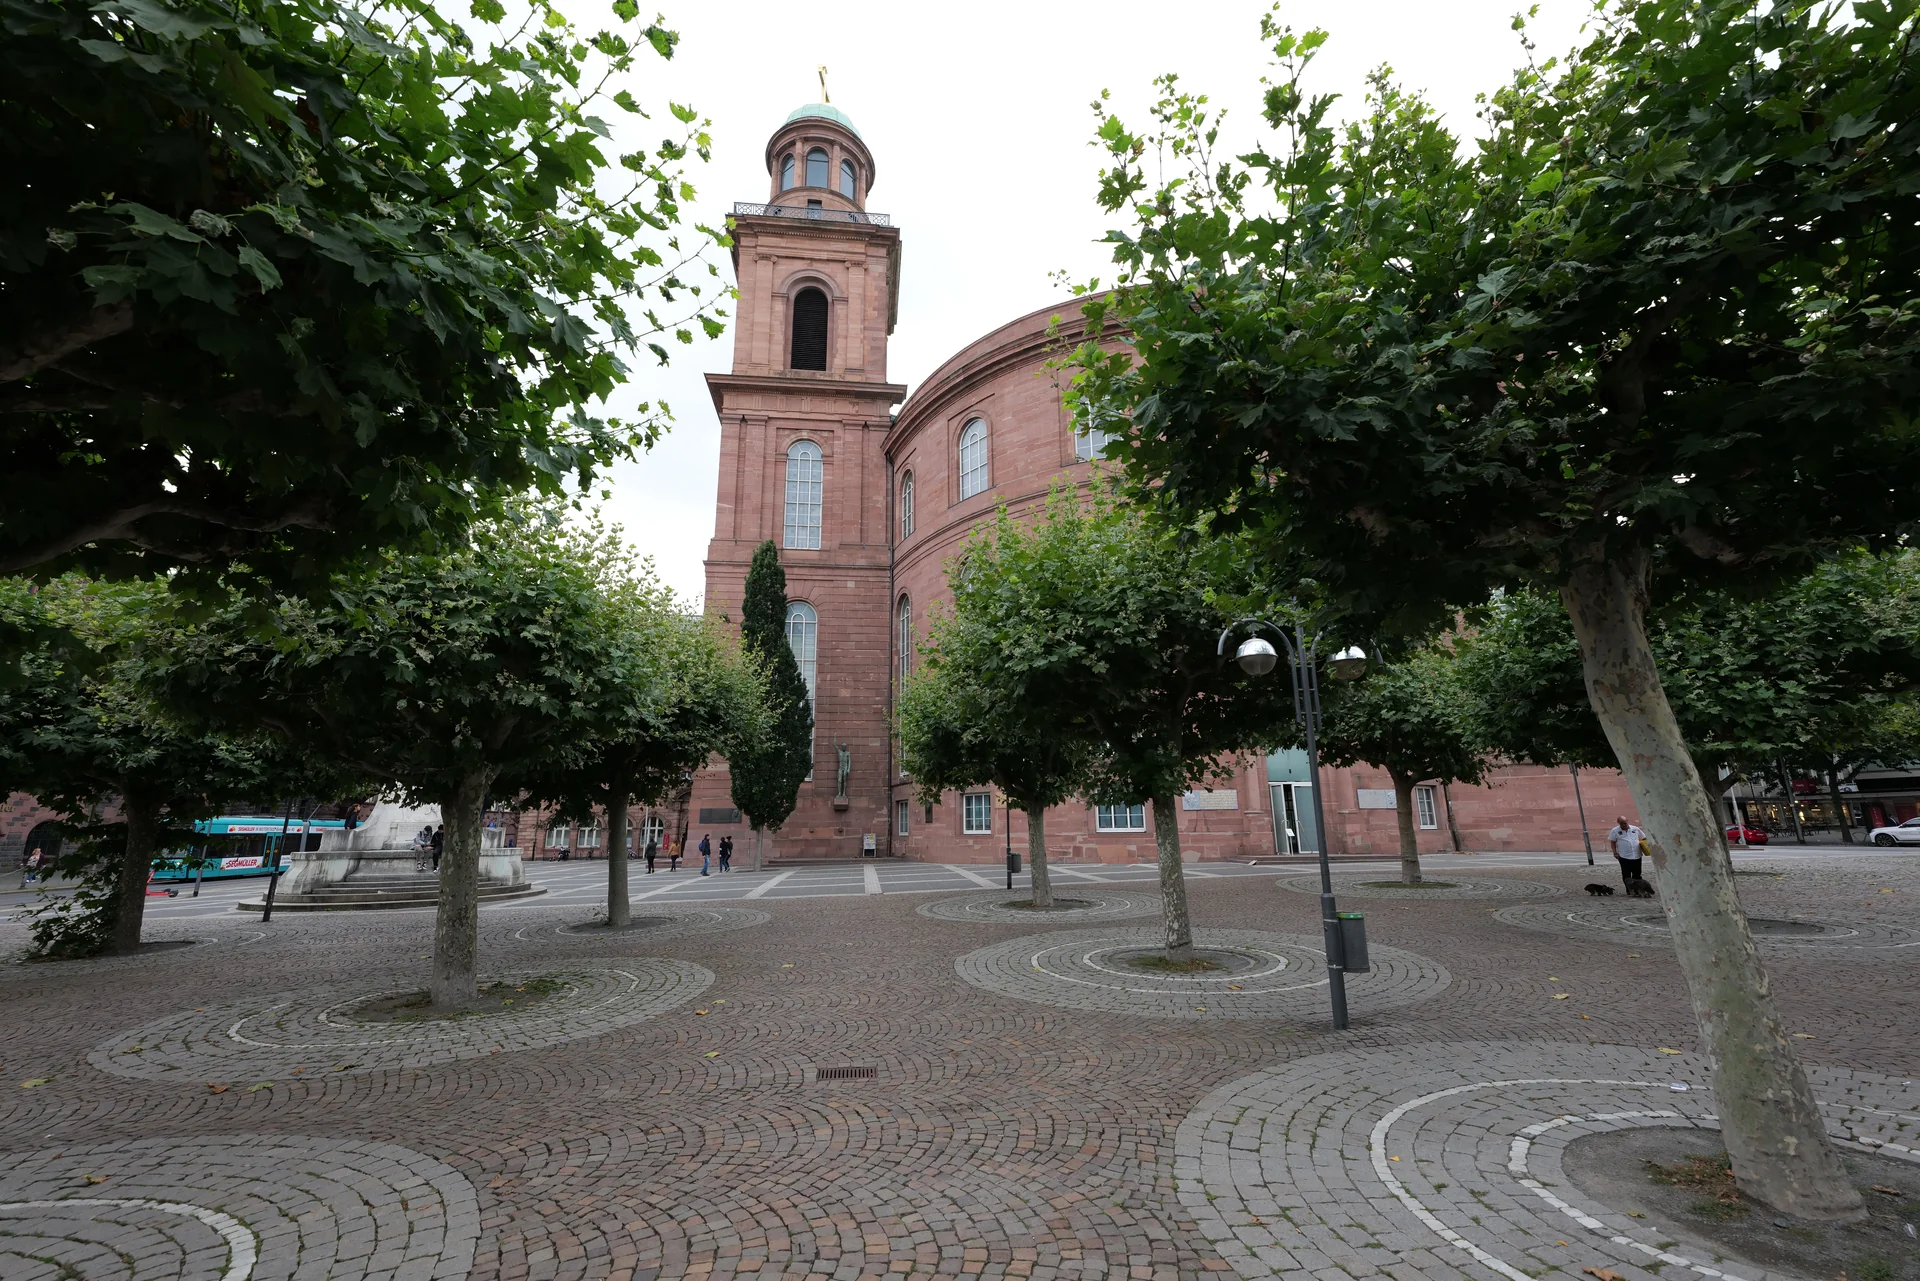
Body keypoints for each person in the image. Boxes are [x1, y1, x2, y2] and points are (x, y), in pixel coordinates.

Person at [1607, 815, 1647, 887]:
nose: (1624, 825)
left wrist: (1645, 848)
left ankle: (1638, 889)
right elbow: (1612, 842)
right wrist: (1615, 853)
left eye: (1625, 823)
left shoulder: (1635, 829)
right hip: (1624, 856)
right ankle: (1629, 890)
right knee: (1626, 875)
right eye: (1621, 823)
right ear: (1618, 823)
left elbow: (1644, 838)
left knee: (1637, 874)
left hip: (1637, 855)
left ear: (1627, 821)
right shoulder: (1615, 831)